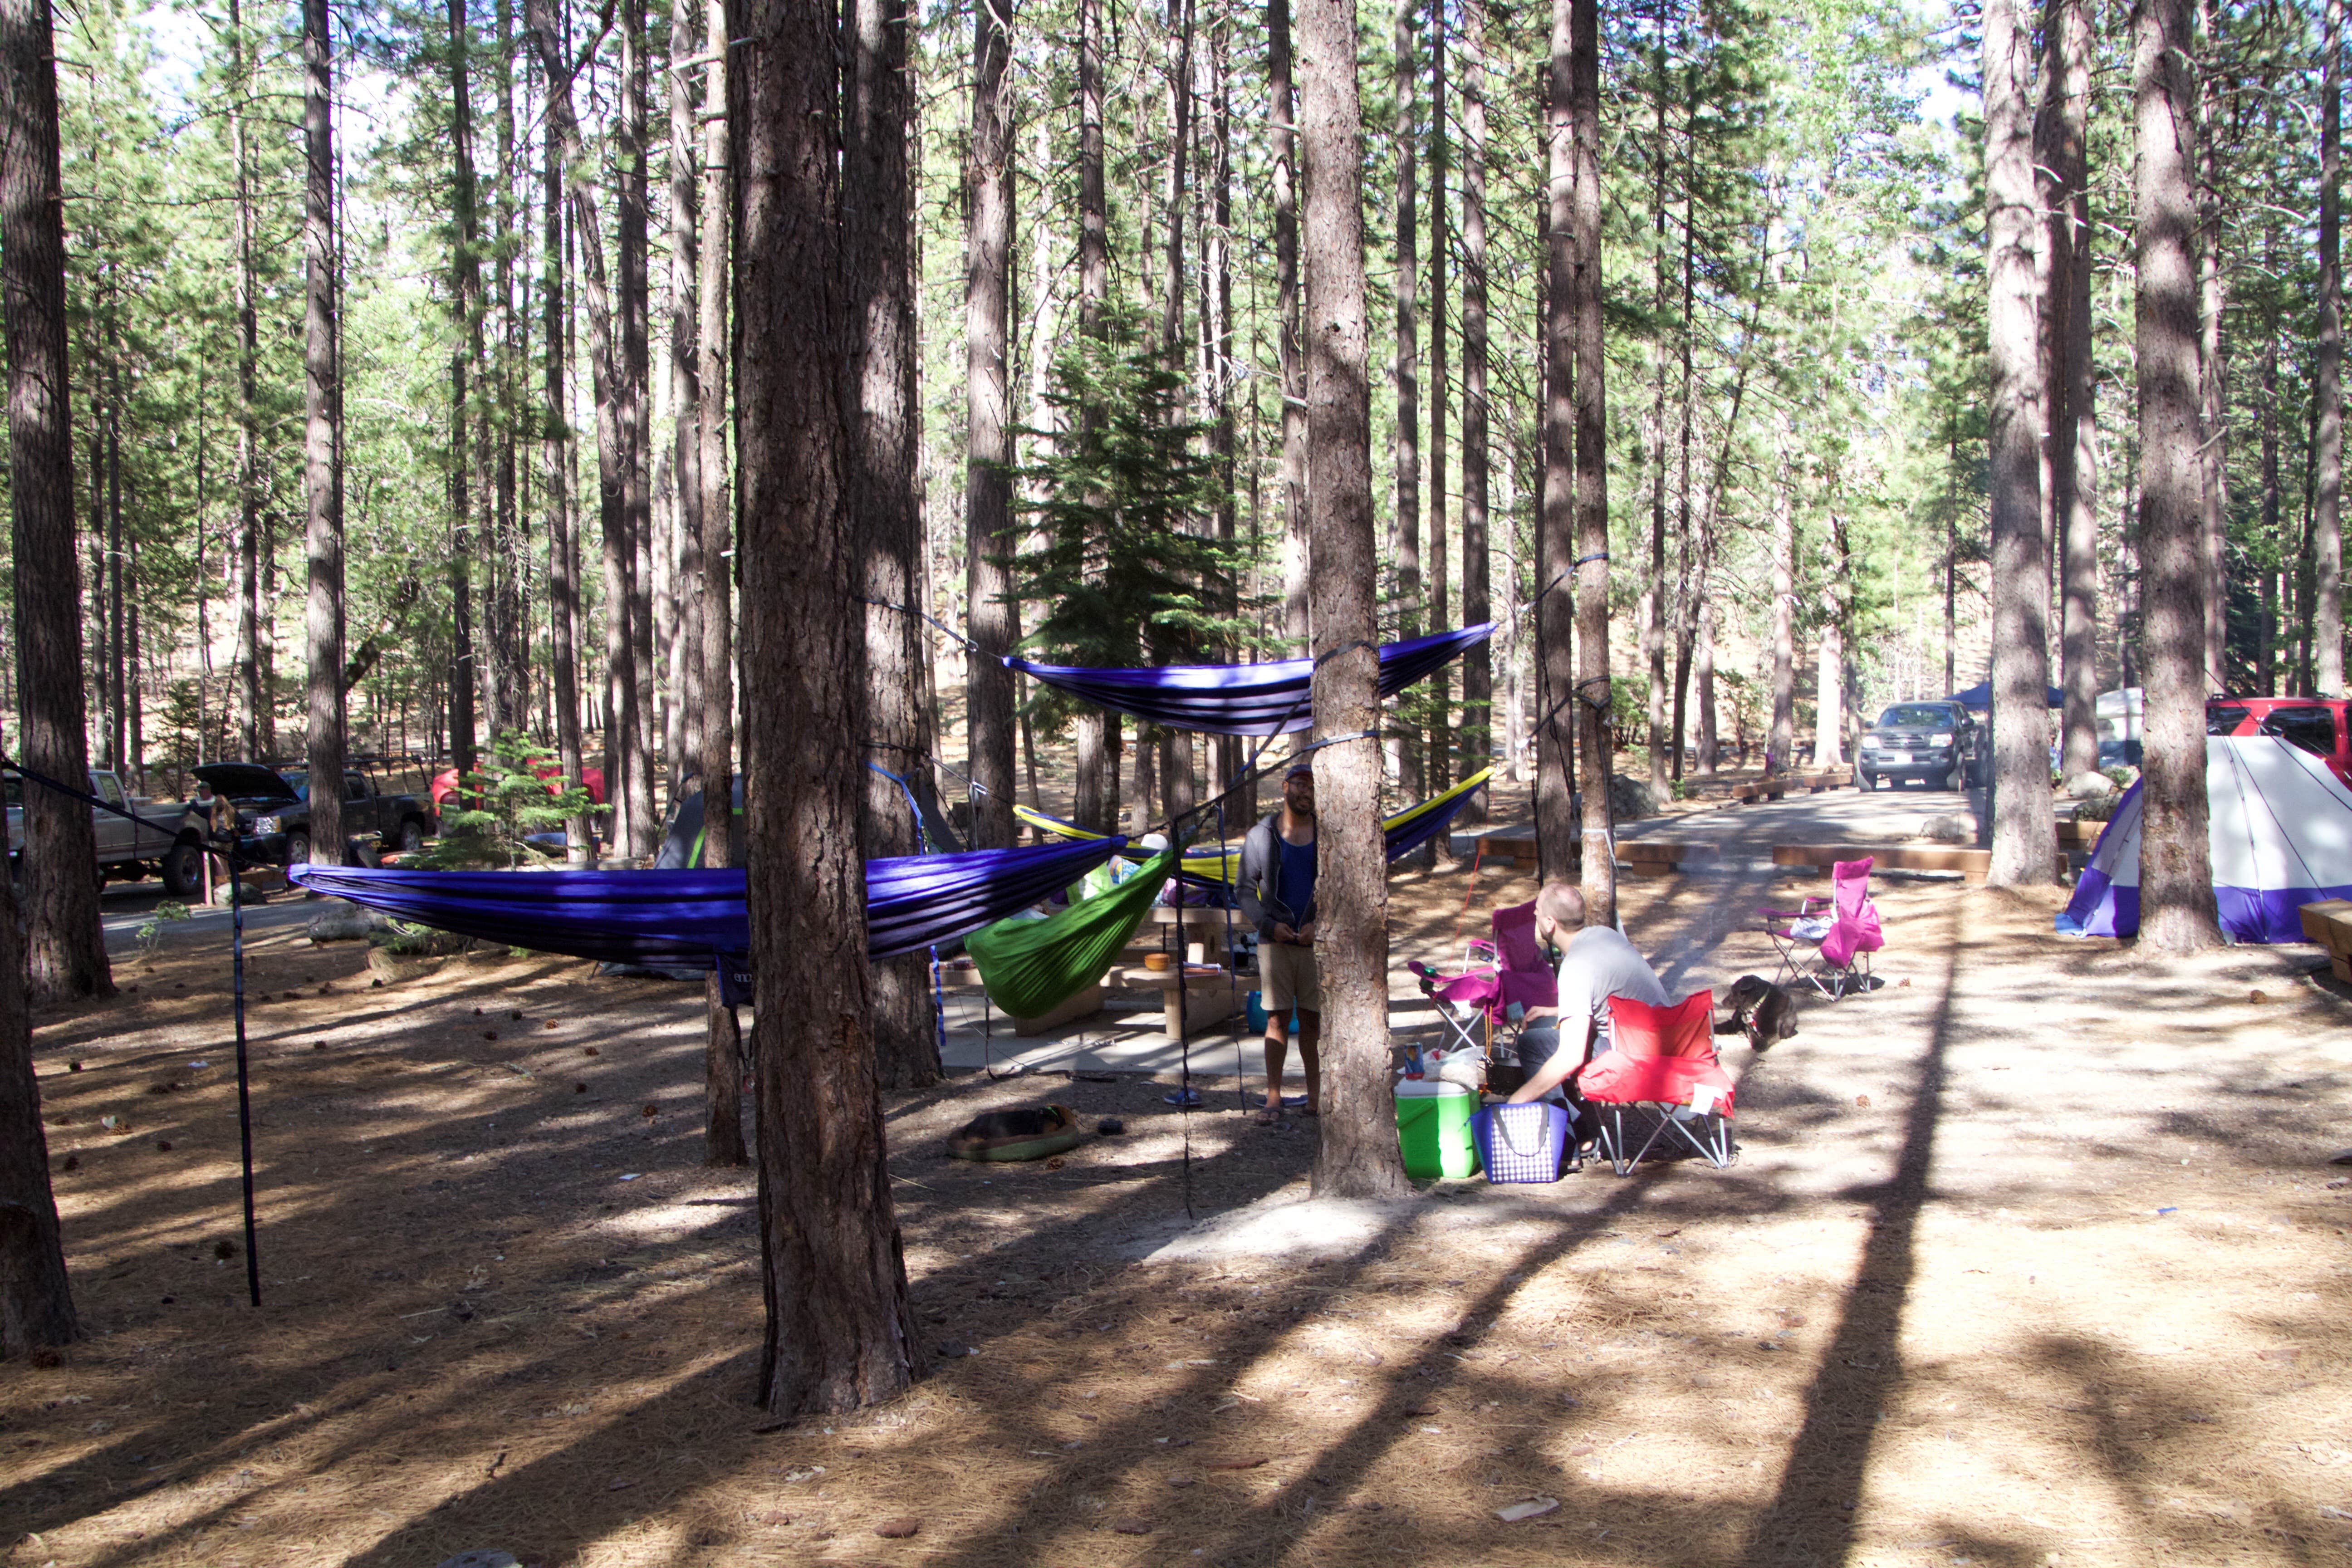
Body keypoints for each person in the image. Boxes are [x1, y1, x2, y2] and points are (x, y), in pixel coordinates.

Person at [1507, 879, 1668, 1110]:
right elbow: (1609, 997)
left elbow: (1570, 1056)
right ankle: (1582, 1128)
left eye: (1537, 913)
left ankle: (1574, 1137)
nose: (1535, 918)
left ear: (1550, 923)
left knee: (1532, 1044)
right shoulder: (1606, 935)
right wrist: (1555, 1012)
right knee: (1543, 1021)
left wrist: (1517, 1100)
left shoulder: (1576, 966)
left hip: (1634, 1057)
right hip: (1664, 1039)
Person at [1238, 762, 1320, 1125]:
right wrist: (1269, 925)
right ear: (1285, 787)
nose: (1306, 793)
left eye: (1312, 788)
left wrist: (1323, 924)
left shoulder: (1327, 834)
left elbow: (1343, 886)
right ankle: (1273, 1096)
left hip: (1318, 943)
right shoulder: (1261, 835)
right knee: (1276, 1018)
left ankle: (1316, 1097)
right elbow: (1244, 890)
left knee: (1313, 1021)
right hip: (1276, 942)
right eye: (1300, 785)